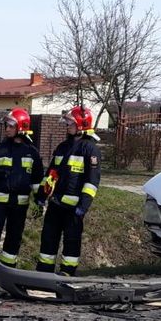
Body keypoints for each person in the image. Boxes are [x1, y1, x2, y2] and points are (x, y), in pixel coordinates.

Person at [0, 108, 43, 281]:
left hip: (20, 205)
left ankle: (7, 270)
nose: (7, 129)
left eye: (11, 126)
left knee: (14, 238)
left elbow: (37, 181)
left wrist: (41, 201)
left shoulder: (32, 153)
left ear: (21, 127)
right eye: (6, 125)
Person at [35, 105, 101, 276]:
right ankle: (44, 272)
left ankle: (67, 272)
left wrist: (83, 206)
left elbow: (92, 181)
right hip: (55, 203)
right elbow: (50, 173)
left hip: (74, 207)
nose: (67, 126)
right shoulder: (63, 147)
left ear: (81, 124)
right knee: (48, 238)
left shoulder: (90, 149)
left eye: (70, 123)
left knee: (71, 240)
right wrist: (41, 195)